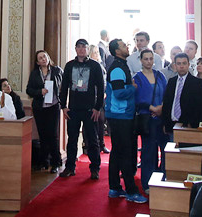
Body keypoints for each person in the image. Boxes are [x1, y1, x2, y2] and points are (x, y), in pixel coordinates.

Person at [105, 38, 145, 203]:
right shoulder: (116, 69)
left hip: (121, 114)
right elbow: (119, 93)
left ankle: (114, 188)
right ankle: (131, 191)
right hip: (120, 115)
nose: (126, 47)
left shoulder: (122, 66)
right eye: (123, 46)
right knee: (126, 153)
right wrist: (133, 87)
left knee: (117, 152)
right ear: (116, 51)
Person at [61, 38, 104, 180]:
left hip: (90, 110)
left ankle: (95, 168)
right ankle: (70, 167)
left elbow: (101, 87)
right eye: (78, 47)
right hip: (73, 109)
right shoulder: (69, 66)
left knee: (92, 140)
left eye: (84, 47)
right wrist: (63, 106)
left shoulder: (95, 66)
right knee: (72, 139)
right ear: (75, 49)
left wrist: (97, 108)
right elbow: (64, 87)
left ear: (87, 49)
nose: (81, 49)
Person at [133, 48, 166, 191]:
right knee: (149, 152)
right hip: (147, 119)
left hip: (162, 118)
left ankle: (163, 178)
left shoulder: (160, 75)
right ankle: (147, 183)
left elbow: (167, 93)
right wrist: (152, 108)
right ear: (141, 60)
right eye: (146, 59)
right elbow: (137, 99)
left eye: (151, 59)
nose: (149, 61)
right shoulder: (137, 78)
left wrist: (162, 107)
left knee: (165, 150)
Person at [27, 50, 64, 172]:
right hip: (39, 108)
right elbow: (29, 90)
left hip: (53, 106)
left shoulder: (56, 70)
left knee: (52, 135)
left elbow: (62, 86)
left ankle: (55, 162)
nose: (43, 59)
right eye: (40, 58)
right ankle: (43, 161)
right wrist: (39, 92)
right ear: (37, 62)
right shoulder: (34, 74)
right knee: (42, 135)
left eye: (45, 56)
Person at [162, 52, 202, 137]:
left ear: (188, 64)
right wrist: (165, 123)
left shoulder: (197, 82)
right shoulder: (171, 81)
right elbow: (166, 103)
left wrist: (192, 123)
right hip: (171, 124)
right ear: (175, 65)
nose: (181, 66)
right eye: (179, 63)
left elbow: (201, 105)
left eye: (184, 63)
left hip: (187, 125)